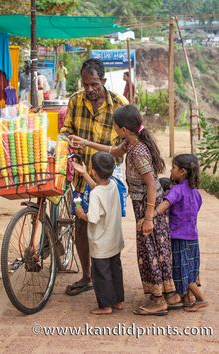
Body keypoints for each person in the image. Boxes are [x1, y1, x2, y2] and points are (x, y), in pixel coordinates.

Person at [69, 104, 180, 315]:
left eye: (115, 127)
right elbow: (113, 151)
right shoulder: (132, 142)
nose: (115, 130)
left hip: (149, 206)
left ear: (123, 129)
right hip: (150, 204)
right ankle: (170, 294)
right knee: (159, 249)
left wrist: (148, 217)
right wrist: (85, 143)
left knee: (150, 251)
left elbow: (149, 183)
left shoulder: (137, 151)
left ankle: (158, 300)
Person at [61, 58, 128, 296]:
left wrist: (90, 144)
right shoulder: (75, 101)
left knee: (107, 226)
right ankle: (87, 276)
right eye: (86, 84)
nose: (89, 89)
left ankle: (110, 278)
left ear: (104, 81)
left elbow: (124, 147)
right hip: (81, 176)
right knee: (81, 223)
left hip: (109, 178)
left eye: (94, 85)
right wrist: (68, 139)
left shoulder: (119, 105)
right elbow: (65, 130)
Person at [153, 154, 208, 312]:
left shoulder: (177, 190)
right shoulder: (196, 192)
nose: (171, 170)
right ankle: (187, 300)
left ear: (182, 171)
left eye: (173, 168)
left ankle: (201, 299)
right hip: (192, 236)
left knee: (181, 270)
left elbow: (165, 204)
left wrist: (151, 215)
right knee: (189, 268)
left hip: (179, 237)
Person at [73, 152, 124, 315]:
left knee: (101, 276)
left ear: (94, 171)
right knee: (115, 271)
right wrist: (85, 174)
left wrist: (80, 213)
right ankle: (118, 301)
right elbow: (100, 190)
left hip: (100, 243)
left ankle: (105, 305)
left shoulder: (95, 194)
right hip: (114, 240)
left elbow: (93, 218)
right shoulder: (113, 185)